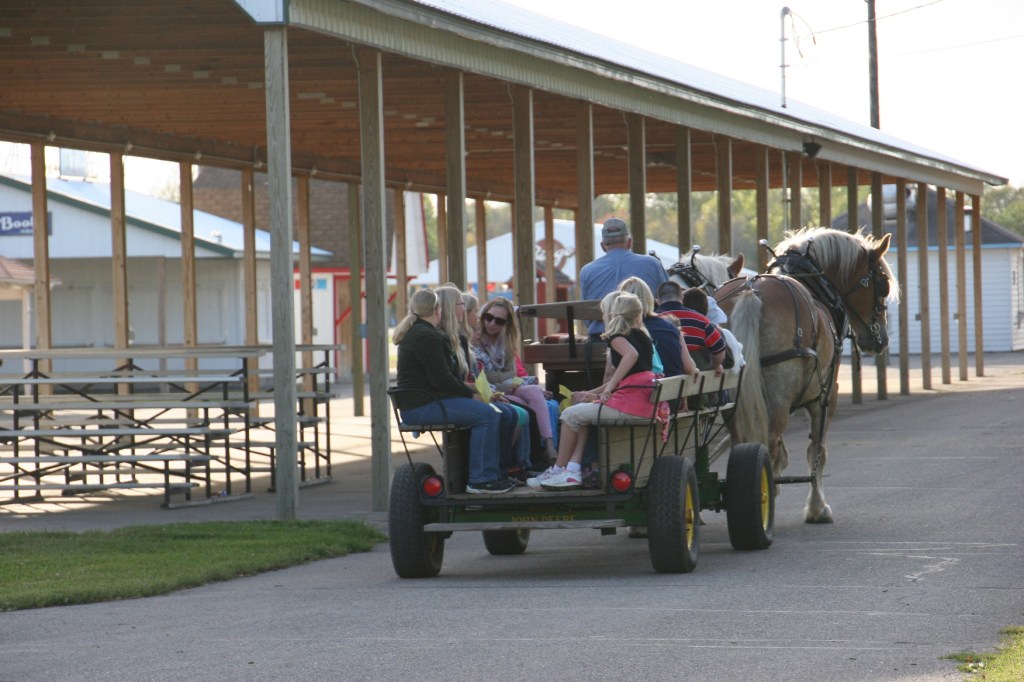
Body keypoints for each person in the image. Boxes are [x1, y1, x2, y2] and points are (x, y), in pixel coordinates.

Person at [529, 292, 662, 490]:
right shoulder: (642, 336)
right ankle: (572, 469)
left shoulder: (617, 337)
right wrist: (592, 393)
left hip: (630, 405)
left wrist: (607, 389)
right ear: (637, 315)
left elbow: (630, 357)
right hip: (640, 400)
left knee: (568, 414)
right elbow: (631, 376)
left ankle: (558, 468)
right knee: (581, 411)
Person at [391, 288, 513, 495]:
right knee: (487, 415)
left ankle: (493, 474)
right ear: (437, 310)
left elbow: (444, 380)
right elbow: (442, 380)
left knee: (495, 412)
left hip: (425, 402)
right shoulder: (426, 336)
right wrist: (471, 395)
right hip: (424, 406)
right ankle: (481, 479)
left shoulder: (422, 333)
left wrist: (473, 390)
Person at [434, 285, 529, 478]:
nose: (479, 317)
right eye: (477, 312)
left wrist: (486, 393)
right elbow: (449, 380)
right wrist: (479, 394)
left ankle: (504, 470)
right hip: (443, 400)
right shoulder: (446, 339)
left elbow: (468, 378)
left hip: (460, 394)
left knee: (513, 412)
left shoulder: (456, 338)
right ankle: (482, 476)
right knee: (493, 414)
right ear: (457, 310)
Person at [471, 296, 559, 463]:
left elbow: (513, 374)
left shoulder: (505, 341)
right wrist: (506, 381)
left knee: (535, 393)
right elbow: (486, 377)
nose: (492, 324)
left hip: (506, 388)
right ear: (482, 316)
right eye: (488, 318)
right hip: (493, 391)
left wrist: (507, 380)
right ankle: (521, 460)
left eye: (499, 321)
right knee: (526, 406)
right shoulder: (474, 338)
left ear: (506, 324)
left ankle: (548, 446)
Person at [580, 217, 668, 337]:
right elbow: (666, 302)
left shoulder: (587, 271)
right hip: (645, 336)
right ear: (629, 242)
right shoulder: (652, 263)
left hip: (601, 337)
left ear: (602, 245)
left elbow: (587, 318)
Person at [616, 276, 698, 380]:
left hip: (643, 392)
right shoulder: (671, 327)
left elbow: (611, 375)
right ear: (650, 299)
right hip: (672, 392)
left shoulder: (622, 333)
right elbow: (689, 368)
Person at [655, 280, 726, 375]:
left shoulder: (653, 320)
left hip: (662, 378)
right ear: (682, 298)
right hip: (695, 380)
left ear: (657, 301)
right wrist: (716, 365)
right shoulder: (701, 320)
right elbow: (719, 350)